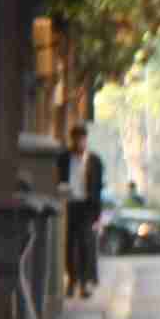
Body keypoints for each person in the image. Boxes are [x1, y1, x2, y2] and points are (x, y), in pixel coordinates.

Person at [59, 124, 106, 299]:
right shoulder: (64, 158)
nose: (80, 142)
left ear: (86, 140)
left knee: (86, 243)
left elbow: (99, 188)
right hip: (69, 205)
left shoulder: (94, 161)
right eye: (76, 139)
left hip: (87, 206)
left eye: (82, 138)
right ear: (72, 140)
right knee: (70, 245)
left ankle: (85, 282)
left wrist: (98, 213)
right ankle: (72, 280)